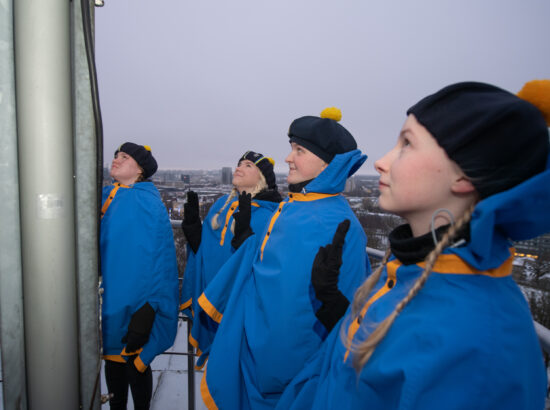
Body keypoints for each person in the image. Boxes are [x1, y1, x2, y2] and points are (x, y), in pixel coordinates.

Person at [276, 80, 550, 410]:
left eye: (407, 144)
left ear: (462, 176)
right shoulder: (412, 273)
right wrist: (339, 311)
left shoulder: (479, 343)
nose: (381, 161)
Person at [199, 108, 371, 409]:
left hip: (290, 380)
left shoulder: (342, 226)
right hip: (255, 360)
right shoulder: (293, 206)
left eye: (300, 150)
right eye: (292, 148)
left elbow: (343, 320)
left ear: (329, 165)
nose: (289, 158)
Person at [179, 151, 282, 368]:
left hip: (239, 304)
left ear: (262, 177)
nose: (239, 168)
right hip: (210, 293)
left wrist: (244, 234)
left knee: (235, 366)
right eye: (239, 164)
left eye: (248, 165)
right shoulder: (221, 205)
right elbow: (208, 249)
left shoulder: (270, 214)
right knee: (217, 368)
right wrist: (193, 230)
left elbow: (262, 263)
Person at [100, 142, 179, 410]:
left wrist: (149, 308)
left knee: (135, 363)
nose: (116, 160)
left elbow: (162, 261)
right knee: (112, 362)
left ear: (140, 170)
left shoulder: (148, 202)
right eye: (115, 155)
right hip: (108, 297)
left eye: (124, 157)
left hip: (136, 302)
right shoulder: (106, 195)